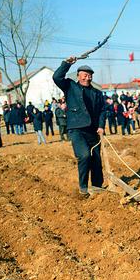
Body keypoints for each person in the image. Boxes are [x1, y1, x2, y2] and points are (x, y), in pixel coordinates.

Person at [53, 57, 106, 198]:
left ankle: (97, 186)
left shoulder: (97, 93)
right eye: (84, 75)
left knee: (96, 159)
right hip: (76, 129)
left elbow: (102, 111)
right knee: (84, 156)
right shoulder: (70, 86)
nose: (87, 78)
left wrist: (101, 126)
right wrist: (67, 64)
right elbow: (56, 77)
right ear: (78, 76)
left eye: (89, 76)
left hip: (93, 130)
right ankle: (83, 187)